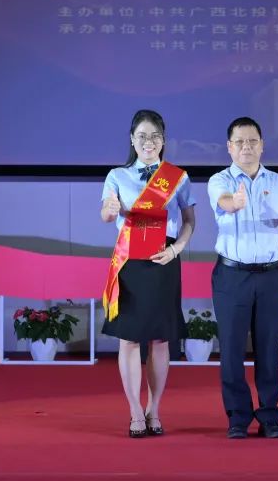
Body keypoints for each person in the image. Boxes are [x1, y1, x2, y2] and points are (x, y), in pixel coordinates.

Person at [101, 110, 196, 438]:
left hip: (163, 260)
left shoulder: (177, 177)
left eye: (155, 136)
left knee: (160, 338)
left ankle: (154, 409)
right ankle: (134, 411)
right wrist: (109, 210)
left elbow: (189, 221)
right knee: (128, 338)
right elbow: (106, 212)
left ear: (163, 140)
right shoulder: (117, 176)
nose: (148, 142)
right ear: (132, 139)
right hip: (130, 262)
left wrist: (176, 249)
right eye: (142, 136)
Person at [207, 116, 278, 439]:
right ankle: (238, 417)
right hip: (232, 276)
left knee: (269, 348)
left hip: (271, 275)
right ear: (229, 147)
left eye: (252, 141)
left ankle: (270, 416)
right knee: (232, 349)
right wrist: (235, 203)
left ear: (262, 145)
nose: (246, 147)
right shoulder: (219, 180)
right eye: (240, 142)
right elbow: (223, 202)